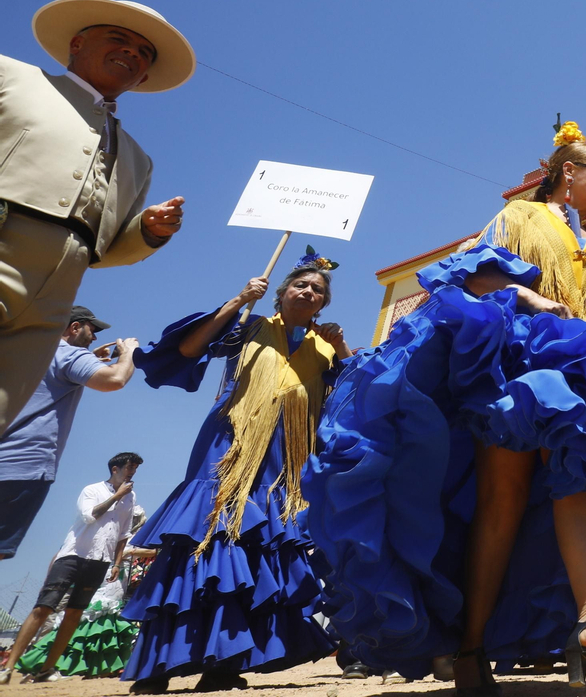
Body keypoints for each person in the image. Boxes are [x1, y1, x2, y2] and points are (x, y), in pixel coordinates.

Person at [306, 122, 586, 693]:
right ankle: (470, 644)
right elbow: (469, 271)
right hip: (520, 370)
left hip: (582, 375)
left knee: (578, 472)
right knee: (502, 502)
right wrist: (527, 294)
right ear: (569, 172)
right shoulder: (518, 217)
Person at [121, 248, 352, 693]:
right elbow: (189, 348)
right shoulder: (249, 324)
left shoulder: (325, 347)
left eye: (317, 289)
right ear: (281, 293)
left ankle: (224, 663)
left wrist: (341, 347)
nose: (309, 291)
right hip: (228, 445)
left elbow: (353, 393)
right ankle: (158, 665)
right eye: (301, 284)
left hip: (282, 462)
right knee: (205, 538)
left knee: (257, 548)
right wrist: (238, 299)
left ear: (324, 303)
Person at [1, 0, 191, 434]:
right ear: (77, 43)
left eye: (144, 53)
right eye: (118, 38)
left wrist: (147, 231)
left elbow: (103, 250)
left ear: (143, 77)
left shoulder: (138, 159)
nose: (131, 52)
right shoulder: (12, 77)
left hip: (52, 305)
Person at [0, 305, 137, 559]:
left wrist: (90, 359)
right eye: (91, 330)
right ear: (75, 327)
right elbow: (115, 379)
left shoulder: (31, 352)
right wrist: (128, 354)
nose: (93, 337)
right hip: (25, 465)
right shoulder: (70, 355)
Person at [0, 452, 141, 684]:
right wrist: (116, 496)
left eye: (135, 468)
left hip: (100, 561)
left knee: (75, 613)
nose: (132, 472)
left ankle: (46, 669)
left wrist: (116, 563)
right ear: (115, 469)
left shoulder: (130, 497)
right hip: (73, 556)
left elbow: (123, 534)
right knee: (43, 608)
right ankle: (8, 667)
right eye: (129, 467)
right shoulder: (92, 490)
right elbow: (90, 516)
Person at [14, 506, 156, 680]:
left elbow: (153, 551)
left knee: (100, 621)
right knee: (89, 618)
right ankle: (50, 662)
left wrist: (131, 551)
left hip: (115, 583)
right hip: (106, 581)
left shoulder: (125, 537)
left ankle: (91, 666)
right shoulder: (116, 536)